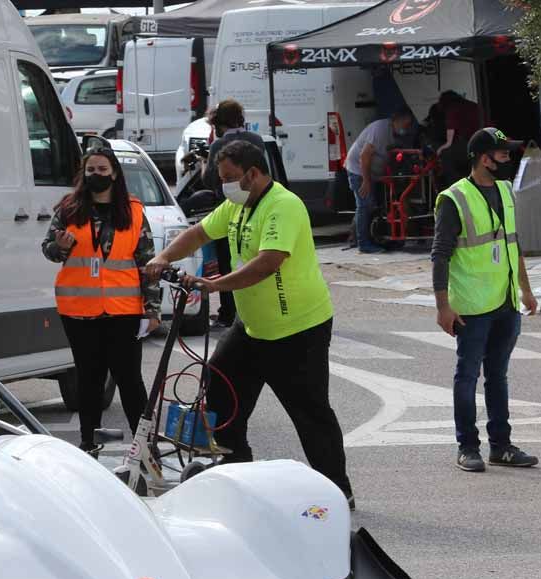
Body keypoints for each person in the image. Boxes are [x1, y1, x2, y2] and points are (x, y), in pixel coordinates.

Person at [147, 140, 354, 506]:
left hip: (297, 330)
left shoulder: (283, 206)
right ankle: (237, 472)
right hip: (253, 327)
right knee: (220, 388)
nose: (224, 185)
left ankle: (338, 491)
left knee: (310, 413)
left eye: (229, 178)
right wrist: (162, 257)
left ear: (253, 173)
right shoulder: (236, 206)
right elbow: (199, 233)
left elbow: (267, 262)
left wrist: (214, 284)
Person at [432, 128, 539, 472]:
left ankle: (501, 446)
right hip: (472, 308)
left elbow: (512, 243)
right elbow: (440, 255)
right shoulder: (455, 198)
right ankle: (468, 447)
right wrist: (442, 306)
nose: (508, 159)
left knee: (498, 376)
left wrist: (526, 289)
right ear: (484, 158)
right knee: (467, 377)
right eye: (503, 154)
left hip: (505, 303)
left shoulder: (506, 191)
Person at [42, 146, 160, 456]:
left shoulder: (133, 212)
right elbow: (49, 251)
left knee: (129, 380)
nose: (96, 175)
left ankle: (145, 445)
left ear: (114, 174)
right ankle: (88, 443)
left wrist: (152, 308)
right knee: (88, 379)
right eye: (90, 170)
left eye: (102, 170)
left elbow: (147, 263)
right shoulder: (69, 209)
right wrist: (61, 246)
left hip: (124, 311)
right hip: (79, 311)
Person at [202, 99, 265, 328]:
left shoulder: (220, 145)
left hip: (229, 209)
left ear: (218, 123)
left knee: (227, 263)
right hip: (259, 208)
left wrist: (203, 164)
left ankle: (229, 312)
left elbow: (209, 179)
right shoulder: (257, 140)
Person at [345, 107, 417, 254]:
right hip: (358, 170)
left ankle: (367, 238)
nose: (406, 128)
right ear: (397, 120)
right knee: (365, 205)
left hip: (374, 173)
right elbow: (364, 156)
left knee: (374, 205)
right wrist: (366, 181)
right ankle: (363, 244)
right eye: (405, 124)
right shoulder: (380, 130)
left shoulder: (395, 133)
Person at [436, 91, 483, 187]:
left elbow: (450, 137)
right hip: (483, 141)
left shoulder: (452, 109)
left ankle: (454, 187)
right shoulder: (472, 105)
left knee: (447, 156)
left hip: (469, 143)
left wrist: (442, 148)